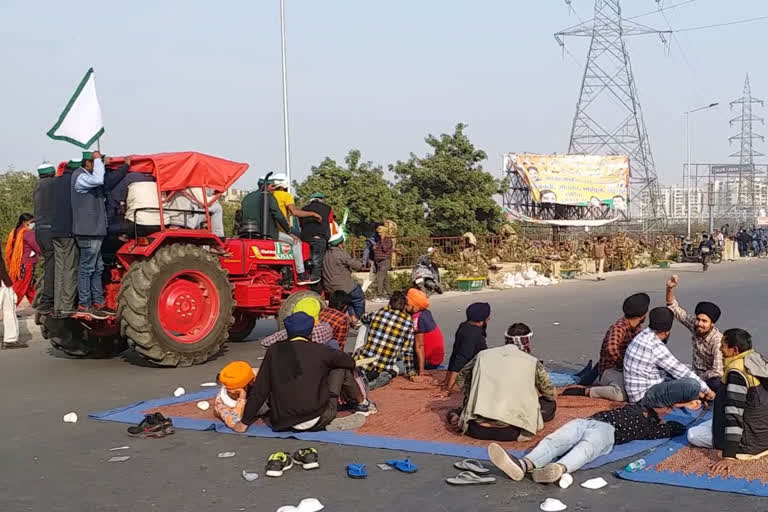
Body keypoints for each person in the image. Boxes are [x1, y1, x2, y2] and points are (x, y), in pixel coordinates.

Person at [236, 312, 371, 433]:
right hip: (317, 417)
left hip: (282, 421)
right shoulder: (321, 350)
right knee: (340, 368)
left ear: (287, 332)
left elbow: (261, 389)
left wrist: (244, 422)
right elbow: (349, 363)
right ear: (310, 332)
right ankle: (362, 404)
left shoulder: (274, 350)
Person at [487, 403, 686, 484]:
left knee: (577, 447)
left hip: (605, 430)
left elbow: (675, 427)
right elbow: (675, 426)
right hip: (589, 422)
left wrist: (662, 421)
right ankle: (524, 465)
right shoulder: (640, 414)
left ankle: (554, 468)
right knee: (558, 441)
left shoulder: (648, 427)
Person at [448, 323, 556, 442]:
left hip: (475, 429)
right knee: (549, 404)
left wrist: (473, 395)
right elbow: (550, 393)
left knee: (465, 405)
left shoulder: (483, 355)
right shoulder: (532, 362)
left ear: (506, 339)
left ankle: (458, 415)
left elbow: (461, 377)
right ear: (527, 341)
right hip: (511, 432)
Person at [687, 329, 768, 472]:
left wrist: (729, 455)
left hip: (749, 443)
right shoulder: (756, 358)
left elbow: (734, 414)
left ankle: (734, 448)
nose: (720, 349)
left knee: (693, 434)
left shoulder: (737, 373)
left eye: (723, 346)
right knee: (711, 423)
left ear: (735, 350)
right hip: (762, 432)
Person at [563, 292, 650, 402]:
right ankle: (588, 391)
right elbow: (611, 348)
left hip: (625, 370)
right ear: (643, 315)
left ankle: (586, 378)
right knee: (622, 394)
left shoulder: (637, 328)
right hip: (611, 370)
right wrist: (625, 364)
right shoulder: (619, 328)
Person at [623, 307, 715, 408]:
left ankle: (683, 401)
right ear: (667, 332)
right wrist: (707, 390)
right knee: (693, 385)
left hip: (646, 386)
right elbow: (679, 370)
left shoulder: (644, 334)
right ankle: (680, 405)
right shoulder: (655, 346)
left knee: (684, 374)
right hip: (644, 397)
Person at [71, 150, 111, 319]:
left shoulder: (85, 176)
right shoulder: (80, 178)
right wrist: (98, 160)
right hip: (88, 231)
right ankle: (85, 304)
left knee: (98, 267)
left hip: (95, 231)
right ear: (88, 163)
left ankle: (99, 303)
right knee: (87, 268)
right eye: (95, 163)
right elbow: (98, 179)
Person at [666, 274, 723, 390]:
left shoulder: (717, 341)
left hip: (709, 377)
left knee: (716, 383)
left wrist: (697, 378)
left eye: (704, 321)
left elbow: (717, 371)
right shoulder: (695, 325)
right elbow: (674, 307)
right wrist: (669, 288)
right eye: (698, 319)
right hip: (695, 372)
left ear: (712, 323)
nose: (699, 323)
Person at [354, 291, 421, 390]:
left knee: (364, 325)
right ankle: (386, 375)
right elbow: (407, 351)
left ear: (389, 304)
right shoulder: (408, 322)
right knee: (401, 365)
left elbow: (364, 318)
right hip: (384, 366)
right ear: (404, 307)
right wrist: (411, 373)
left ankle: (364, 373)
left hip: (364, 361)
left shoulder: (379, 312)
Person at [269, 174, 322, 284]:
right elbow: (295, 212)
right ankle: (301, 273)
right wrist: (313, 214)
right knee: (298, 242)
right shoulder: (286, 195)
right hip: (281, 230)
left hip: (271, 229)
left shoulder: (270, 195)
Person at [440, 303, 491, 395]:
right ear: (484, 320)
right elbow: (460, 359)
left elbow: (455, 353)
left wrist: (446, 380)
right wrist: (447, 389)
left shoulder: (463, 326)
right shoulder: (474, 333)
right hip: (478, 368)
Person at [51, 158, 80, 317]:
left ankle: (58, 306)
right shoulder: (75, 182)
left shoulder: (55, 182)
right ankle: (67, 307)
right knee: (70, 268)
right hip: (69, 232)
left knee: (60, 269)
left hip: (55, 231)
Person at [322, 234, 365, 326]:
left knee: (348, 300)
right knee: (358, 297)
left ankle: (352, 316)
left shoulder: (326, 254)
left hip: (330, 287)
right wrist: (361, 264)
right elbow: (356, 265)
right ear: (340, 244)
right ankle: (357, 319)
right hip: (343, 286)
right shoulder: (340, 253)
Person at [260, 297, 334, 348]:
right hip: (319, 363)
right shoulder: (326, 328)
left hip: (294, 361)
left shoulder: (291, 331)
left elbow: (265, 342)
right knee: (333, 343)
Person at [33, 163, 57, 314]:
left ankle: (46, 298)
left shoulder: (38, 185)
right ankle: (48, 299)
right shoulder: (53, 184)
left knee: (49, 263)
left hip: (40, 231)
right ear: (52, 173)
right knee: (55, 264)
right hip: (50, 230)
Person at [214, 360, 266, 429]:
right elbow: (233, 422)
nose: (253, 382)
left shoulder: (252, 377)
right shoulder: (221, 404)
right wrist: (242, 398)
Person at [406, 288, 445, 373]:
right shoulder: (426, 313)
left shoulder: (417, 319)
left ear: (415, 308)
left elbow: (419, 346)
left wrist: (421, 371)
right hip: (436, 358)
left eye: (407, 304)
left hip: (429, 362)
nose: (405, 306)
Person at [299, 193, 335, 283]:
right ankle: (315, 278)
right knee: (317, 259)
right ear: (321, 199)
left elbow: (300, 223)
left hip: (305, 237)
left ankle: (305, 275)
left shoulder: (303, 209)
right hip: (320, 237)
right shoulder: (328, 208)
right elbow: (330, 222)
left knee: (307, 258)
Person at [5, 213, 39, 307]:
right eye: (31, 222)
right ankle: (10, 308)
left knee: (29, 287)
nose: (33, 224)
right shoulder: (27, 233)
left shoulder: (15, 231)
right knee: (20, 288)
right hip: (26, 264)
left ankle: (39, 308)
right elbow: (37, 247)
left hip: (17, 264)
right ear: (24, 222)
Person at [0, 244, 22, 349]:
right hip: (2, 281)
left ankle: (11, 339)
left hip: (3, 280)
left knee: (9, 310)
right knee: (9, 310)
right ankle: (10, 340)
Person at [372, 225, 394, 299]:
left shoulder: (388, 240)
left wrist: (382, 240)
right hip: (379, 262)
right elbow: (377, 249)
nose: (379, 234)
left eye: (381, 232)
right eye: (378, 233)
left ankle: (379, 295)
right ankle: (390, 293)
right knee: (385, 280)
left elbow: (385, 248)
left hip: (385, 261)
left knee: (379, 278)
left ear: (384, 232)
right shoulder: (378, 241)